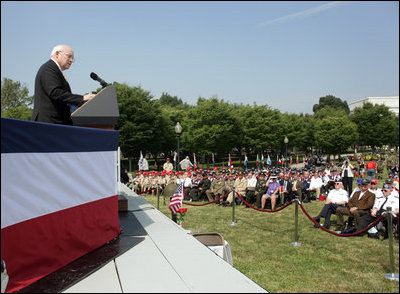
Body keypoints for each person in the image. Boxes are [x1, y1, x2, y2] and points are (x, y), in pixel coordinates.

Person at [31, 44, 95, 125]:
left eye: (72, 58)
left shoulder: (55, 70)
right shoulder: (48, 68)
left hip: (56, 123)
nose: (71, 60)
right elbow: (55, 92)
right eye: (69, 56)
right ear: (57, 54)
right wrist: (82, 98)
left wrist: (85, 103)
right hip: (49, 123)